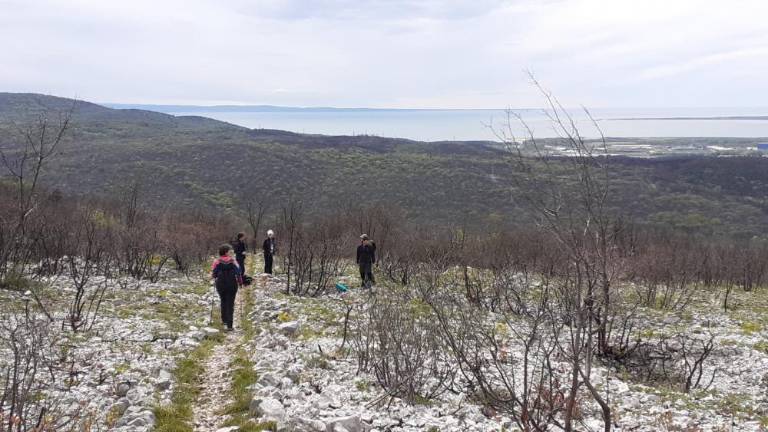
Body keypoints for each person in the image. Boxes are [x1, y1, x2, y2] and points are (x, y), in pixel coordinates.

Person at [212, 244, 242, 331]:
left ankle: (224, 321)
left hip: (220, 284)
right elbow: (238, 272)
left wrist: (216, 276)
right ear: (226, 252)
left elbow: (214, 274)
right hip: (232, 284)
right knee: (230, 303)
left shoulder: (217, 261)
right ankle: (230, 325)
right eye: (230, 251)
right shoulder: (233, 261)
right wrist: (240, 283)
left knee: (223, 301)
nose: (231, 252)